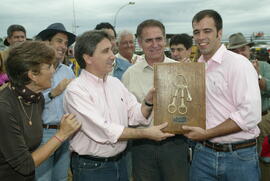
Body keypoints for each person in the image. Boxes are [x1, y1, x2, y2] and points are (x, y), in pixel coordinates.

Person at [63, 30, 173, 181]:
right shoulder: (76, 91)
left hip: (121, 162)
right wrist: (146, 133)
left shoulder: (115, 83)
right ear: (88, 58)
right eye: (105, 51)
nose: (112, 56)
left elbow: (135, 115)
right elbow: (104, 130)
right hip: (92, 168)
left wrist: (148, 102)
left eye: (112, 50)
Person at [182, 10, 261, 181]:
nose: (201, 37)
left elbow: (249, 115)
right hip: (203, 154)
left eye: (207, 31)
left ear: (219, 33)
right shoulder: (198, 67)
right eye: (196, 32)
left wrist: (207, 133)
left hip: (239, 157)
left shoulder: (238, 64)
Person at [0, 41, 81, 181]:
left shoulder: (36, 99)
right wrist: (62, 134)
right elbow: (25, 165)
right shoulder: (4, 107)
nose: (53, 71)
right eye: (49, 66)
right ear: (33, 75)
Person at [122, 19, 189, 181]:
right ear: (140, 43)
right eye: (149, 40)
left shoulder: (182, 70)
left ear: (165, 40)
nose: (155, 44)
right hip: (142, 147)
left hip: (176, 145)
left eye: (159, 39)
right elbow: (125, 115)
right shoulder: (129, 75)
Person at [35, 23, 76, 181]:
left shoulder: (68, 71)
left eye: (65, 43)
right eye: (59, 41)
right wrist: (53, 93)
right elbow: (28, 102)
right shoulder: (35, 69)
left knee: (61, 178)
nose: (63, 46)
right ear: (47, 43)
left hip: (65, 132)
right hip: (43, 134)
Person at [227, 32, 270, 181]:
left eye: (243, 49)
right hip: (233, 123)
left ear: (249, 49)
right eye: (235, 50)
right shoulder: (227, 69)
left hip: (261, 120)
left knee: (258, 158)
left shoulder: (263, 66)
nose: (240, 53)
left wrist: (257, 77)